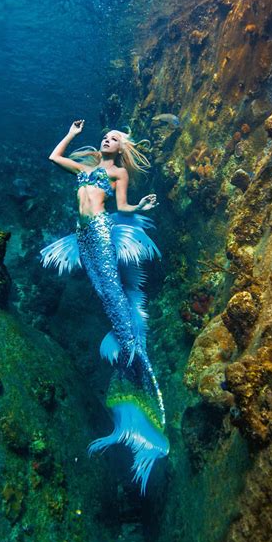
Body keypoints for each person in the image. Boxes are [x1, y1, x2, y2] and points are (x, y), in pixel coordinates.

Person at [41, 120, 169, 494]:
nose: (107, 140)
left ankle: (136, 363)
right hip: (82, 235)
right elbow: (53, 157)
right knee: (104, 298)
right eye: (106, 137)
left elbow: (124, 207)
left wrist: (140, 205)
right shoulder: (87, 168)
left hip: (99, 231)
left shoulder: (118, 172)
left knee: (114, 298)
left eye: (114, 139)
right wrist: (71, 134)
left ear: (121, 148)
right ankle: (131, 362)